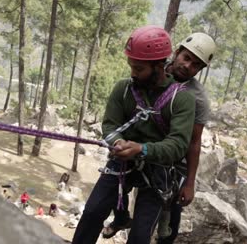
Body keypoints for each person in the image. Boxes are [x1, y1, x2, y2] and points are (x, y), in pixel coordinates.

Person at [71, 25, 196, 244]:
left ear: (159, 67)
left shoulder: (182, 99)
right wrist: (118, 141)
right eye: (131, 66)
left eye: (139, 69)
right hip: (122, 161)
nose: (133, 73)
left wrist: (143, 149)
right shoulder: (124, 89)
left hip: (159, 170)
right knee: (92, 213)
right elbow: (110, 125)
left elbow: (178, 144)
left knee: (139, 237)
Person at [101, 32, 216, 243]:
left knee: (168, 220)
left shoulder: (196, 98)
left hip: (170, 164)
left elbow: (193, 141)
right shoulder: (149, 70)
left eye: (196, 65)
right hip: (134, 151)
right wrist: (118, 140)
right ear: (177, 52)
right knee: (114, 190)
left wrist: (189, 182)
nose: (187, 66)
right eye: (186, 58)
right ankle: (120, 219)